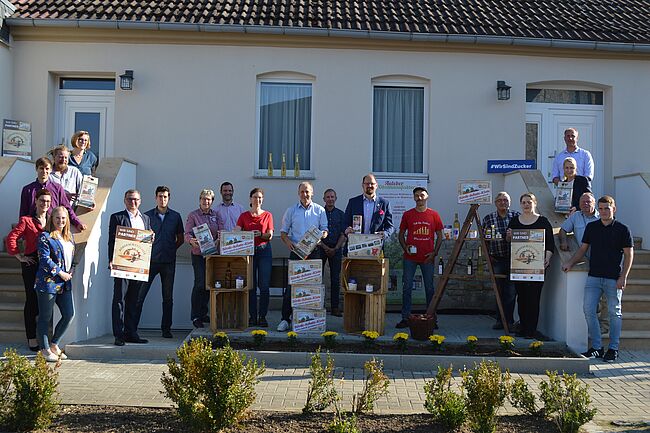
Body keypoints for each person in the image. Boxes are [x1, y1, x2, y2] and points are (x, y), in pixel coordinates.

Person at [562, 195, 634, 362]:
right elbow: (582, 249)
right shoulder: (592, 227)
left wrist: (624, 276)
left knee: (614, 313)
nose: (603, 212)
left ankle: (613, 349)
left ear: (613, 209)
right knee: (588, 310)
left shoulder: (623, 229)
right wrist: (570, 262)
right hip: (593, 277)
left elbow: (629, 254)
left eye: (606, 208)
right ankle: (597, 347)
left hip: (613, 278)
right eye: (600, 209)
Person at [278, 182, 328, 331]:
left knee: (314, 287)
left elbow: (325, 230)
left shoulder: (320, 210)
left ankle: (310, 320)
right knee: (291, 286)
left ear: (312, 193)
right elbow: (283, 233)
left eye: (307, 192)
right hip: (297, 252)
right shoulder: (291, 211)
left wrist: (320, 237)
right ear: (298, 193)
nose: (304, 194)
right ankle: (285, 319)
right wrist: (288, 243)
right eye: (302, 192)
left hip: (314, 252)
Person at [5, 189, 51, 351]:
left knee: (44, 300)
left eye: (47, 201)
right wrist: (19, 256)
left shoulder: (53, 220)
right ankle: (31, 337)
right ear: (36, 201)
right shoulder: (26, 220)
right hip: (31, 263)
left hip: (47, 264)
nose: (45, 204)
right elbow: (11, 237)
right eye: (42, 200)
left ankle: (44, 336)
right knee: (32, 300)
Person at [136, 186, 184, 338]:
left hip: (168, 262)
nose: (162, 199)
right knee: (139, 296)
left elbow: (180, 239)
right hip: (150, 262)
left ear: (169, 198)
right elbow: (141, 239)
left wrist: (170, 249)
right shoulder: (147, 216)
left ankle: (166, 329)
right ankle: (132, 328)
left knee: (168, 297)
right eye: (160, 196)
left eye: (165, 196)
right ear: (155, 197)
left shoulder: (175, 216)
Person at [506, 193, 554, 339]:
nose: (526, 205)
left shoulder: (543, 221)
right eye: (524, 202)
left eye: (529, 202)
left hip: (538, 267)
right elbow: (508, 241)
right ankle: (523, 327)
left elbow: (550, 243)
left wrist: (547, 258)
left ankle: (531, 330)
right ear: (520, 204)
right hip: (518, 267)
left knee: (533, 298)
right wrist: (508, 236)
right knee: (521, 298)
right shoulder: (514, 221)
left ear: (535, 203)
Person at [108, 189, 152, 346]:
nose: (133, 202)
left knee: (134, 300)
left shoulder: (146, 219)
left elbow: (147, 243)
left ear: (140, 201)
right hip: (122, 265)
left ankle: (131, 333)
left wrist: (151, 237)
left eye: (135, 199)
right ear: (124, 200)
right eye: (130, 199)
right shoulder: (117, 217)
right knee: (119, 299)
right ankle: (119, 335)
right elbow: (111, 241)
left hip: (139, 266)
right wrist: (110, 260)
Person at [397, 187, 443, 328]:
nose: (419, 198)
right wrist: (406, 248)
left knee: (429, 289)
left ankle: (431, 318)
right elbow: (400, 235)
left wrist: (434, 253)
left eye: (422, 195)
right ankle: (406, 318)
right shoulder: (408, 214)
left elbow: (440, 236)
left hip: (427, 258)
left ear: (427, 197)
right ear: (413, 198)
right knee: (407, 288)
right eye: (416, 196)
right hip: (410, 258)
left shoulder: (434, 215)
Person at [34, 206, 75, 362]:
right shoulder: (45, 236)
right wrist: (60, 273)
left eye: (63, 218)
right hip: (48, 283)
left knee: (69, 314)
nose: (61, 221)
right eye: (57, 218)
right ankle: (44, 349)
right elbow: (44, 259)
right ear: (52, 218)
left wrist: (71, 271)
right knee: (45, 317)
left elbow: (71, 258)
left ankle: (54, 344)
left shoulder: (69, 236)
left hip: (65, 283)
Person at [481, 191, 520, 330]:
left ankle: (508, 321)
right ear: (495, 203)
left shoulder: (517, 216)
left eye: (505, 200)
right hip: (496, 259)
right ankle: (499, 320)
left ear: (509, 202)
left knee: (511, 292)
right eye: (500, 200)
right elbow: (484, 240)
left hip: (514, 260)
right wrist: (488, 256)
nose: (503, 202)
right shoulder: (488, 218)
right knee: (498, 291)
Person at [236, 188, 274, 327]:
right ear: (250, 199)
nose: (257, 200)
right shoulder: (244, 215)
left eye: (260, 197)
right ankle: (252, 317)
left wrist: (260, 234)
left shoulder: (268, 215)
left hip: (264, 250)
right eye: (255, 197)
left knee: (264, 286)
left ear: (262, 199)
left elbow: (269, 234)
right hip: (249, 252)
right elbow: (237, 232)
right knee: (250, 286)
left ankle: (262, 316)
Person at [19, 157, 86, 231]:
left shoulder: (57, 188)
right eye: (41, 168)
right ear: (36, 169)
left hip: (53, 227)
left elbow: (67, 208)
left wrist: (77, 223)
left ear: (51, 170)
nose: (44, 171)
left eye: (47, 169)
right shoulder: (28, 189)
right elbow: (23, 212)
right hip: (33, 229)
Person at [185, 189, 220, 328]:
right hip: (198, 254)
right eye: (204, 199)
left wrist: (218, 240)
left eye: (209, 199)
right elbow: (187, 233)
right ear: (199, 200)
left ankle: (204, 312)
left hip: (212, 254)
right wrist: (191, 241)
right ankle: (195, 316)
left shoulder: (216, 215)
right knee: (199, 283)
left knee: (208, 283)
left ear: (212, 201)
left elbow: (220, 230)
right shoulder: (193, 215)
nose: (206, 201)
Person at [320, 188, 346, 317]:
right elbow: (315, 233)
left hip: (336, 248)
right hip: (320, 247)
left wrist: (335, 248)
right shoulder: (319, 213)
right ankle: (318, 305)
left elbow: (343, 234)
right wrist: (325, 247)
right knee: (318, 278)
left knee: (335, 279)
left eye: (332, 197)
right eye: (328, 197)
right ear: (324, 199)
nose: (330, 199)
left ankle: (335, 307)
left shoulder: (341, 214)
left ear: (336, 199)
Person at [344, 173, 394, 239]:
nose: (369, 186)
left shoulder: (384, 204)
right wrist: (347, 229)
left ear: (376, 185)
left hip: (375, 244)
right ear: (362, 185)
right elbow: (344, 222)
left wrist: (385, 233)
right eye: (367, 184)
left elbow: (390, 226)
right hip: (356, 244)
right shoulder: (353, 202)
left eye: (372, 183)